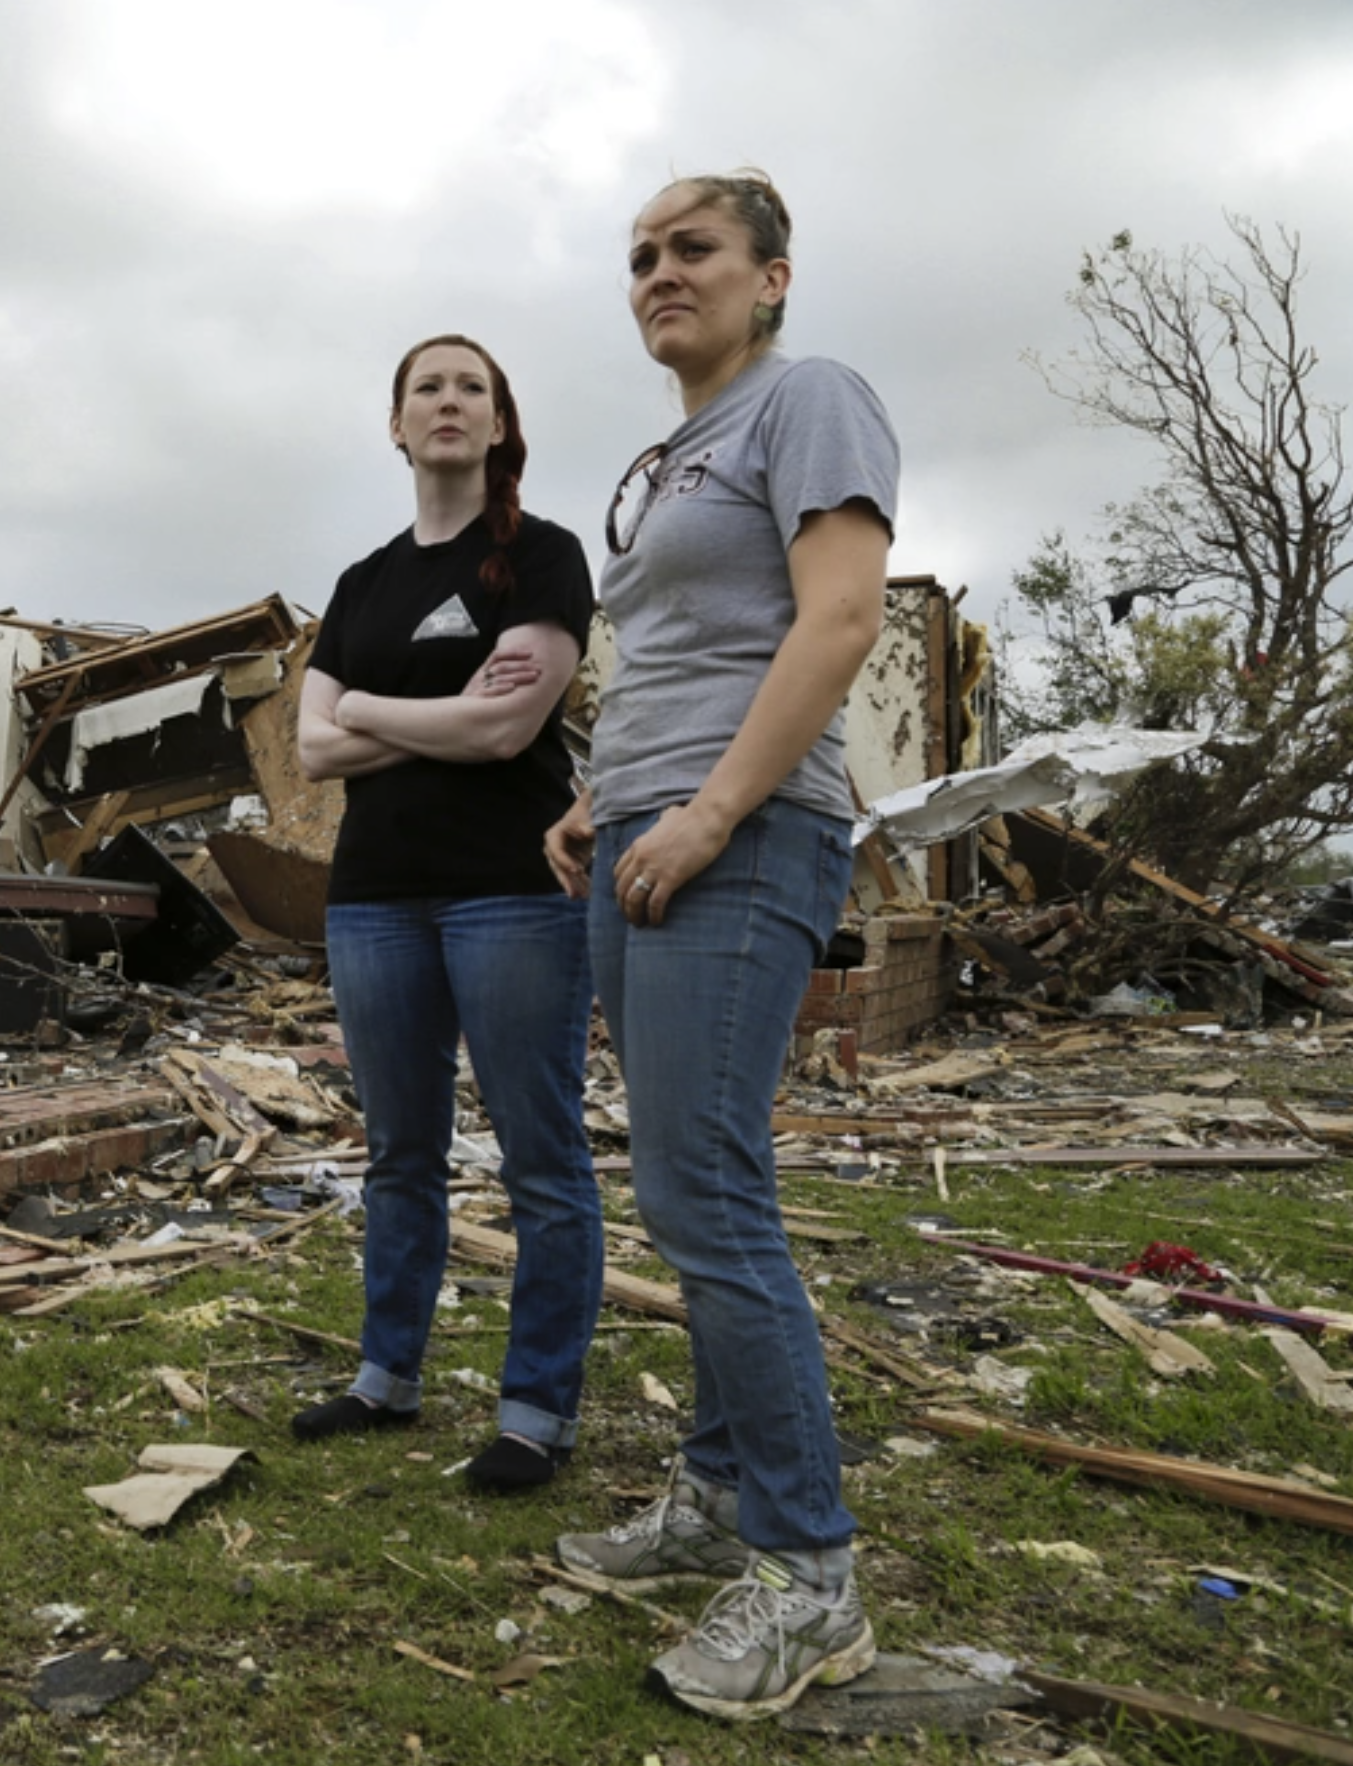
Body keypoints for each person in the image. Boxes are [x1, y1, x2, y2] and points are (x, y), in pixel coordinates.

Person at [543, 170, 898, 1720]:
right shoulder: (672, 452)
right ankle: (708, 1495)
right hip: (644, 832)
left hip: (740, 836)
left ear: (771, 276)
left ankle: (807, 1576)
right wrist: (601, 798)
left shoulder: (805, 398)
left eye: (690, 249)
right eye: (637, 258)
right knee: (682, 1186)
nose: (655, 275)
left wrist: (699, 813)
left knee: (706, 1191)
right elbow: (682, 651)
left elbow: (835, 620)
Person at [291, 334, 603, 1494]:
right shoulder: (363, 584)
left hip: (510, 891)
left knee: (543, 1158)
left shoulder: (543, 558)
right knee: (399, 1154)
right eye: (428, 385)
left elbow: (505, 731)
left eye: (473, 385)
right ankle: (387, 1376)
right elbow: (309, 750)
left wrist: (368, 703)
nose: (449, 401)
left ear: (501, 421)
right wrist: (431, 705)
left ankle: (534, 1411)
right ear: (397, 423)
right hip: (373, 896)